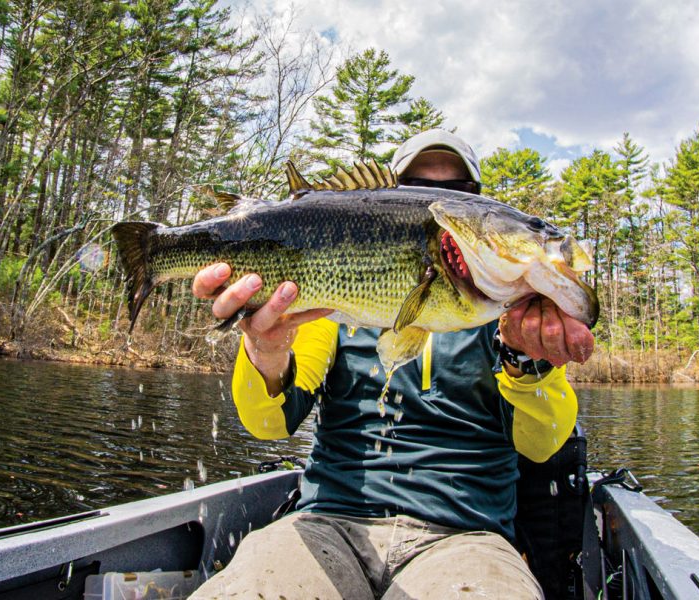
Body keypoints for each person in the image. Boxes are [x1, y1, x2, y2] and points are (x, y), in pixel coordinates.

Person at [190, 129, 594, 599]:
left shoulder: (519, 316)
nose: (437, 204)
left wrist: (528, 361)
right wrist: (266, 350)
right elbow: (268, 424)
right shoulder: (333, 305)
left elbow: (543, 445)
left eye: (456, 194)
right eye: (417, 191)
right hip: (328, 523)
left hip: (467, 538)